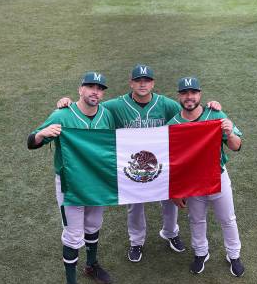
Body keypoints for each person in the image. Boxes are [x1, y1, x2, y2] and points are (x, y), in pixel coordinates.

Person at [56, 64, 222, 263]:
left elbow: (191, 110)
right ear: (131, 83)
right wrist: (68, 102)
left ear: (153, 83)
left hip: (161, 162)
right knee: (134, 203)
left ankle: (170, 232)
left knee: (169, 198)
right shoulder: (116, 105)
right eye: (138, 81)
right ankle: (136, 241)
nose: (142, 84)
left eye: (147, 80)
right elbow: (92, 106)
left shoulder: (167, 104)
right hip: (132, 164)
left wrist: (212, 106)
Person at [28, 71, 115, 284]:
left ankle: (92, 264)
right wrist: (42, 134)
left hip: (97, 182)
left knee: (94, 225)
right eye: (90, 86)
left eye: (99, 88)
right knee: (74, 235)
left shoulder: (106, 114)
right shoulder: (62, 114)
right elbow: (31, 141)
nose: (94, 91)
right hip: (71, 185)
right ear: (80, 89)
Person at [168, 77, 245, 277]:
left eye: (193, 93)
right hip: (193, 182)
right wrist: (176, 191)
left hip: (218, 176)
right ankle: (201, 253)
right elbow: (172, 162)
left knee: (228, 219)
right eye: (184, 93)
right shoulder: (172, 124)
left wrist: (229, 133)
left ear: (200, 94)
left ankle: (234, 255)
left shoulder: (216, 114)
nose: (189, 97)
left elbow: (236, 146)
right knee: (196, 220)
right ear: (179, 96)